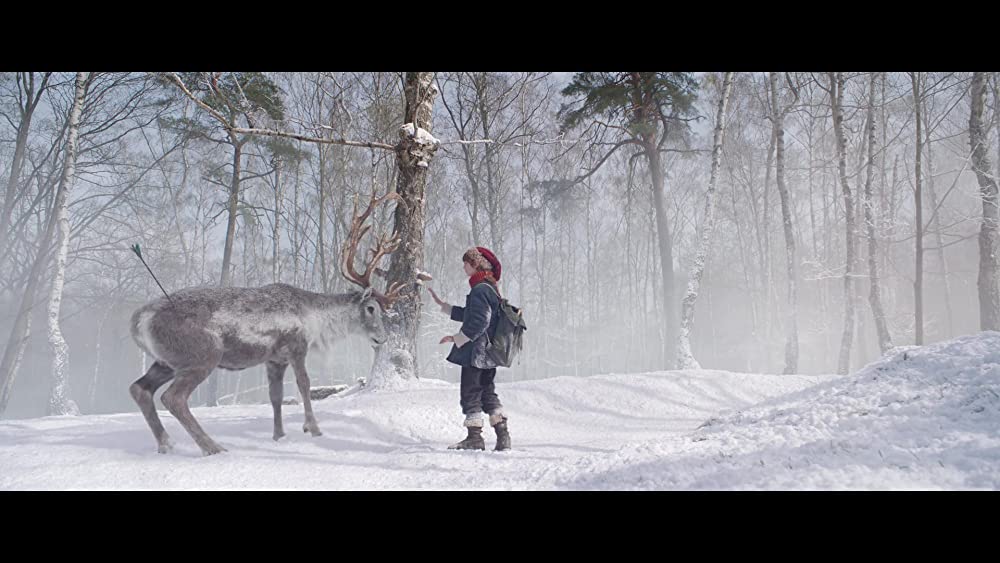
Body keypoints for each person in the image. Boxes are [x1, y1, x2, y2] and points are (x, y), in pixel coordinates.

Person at [427, 246, 511, 451]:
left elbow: (481, 320)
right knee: (487, 392)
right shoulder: (489, 287)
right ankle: (503, 436)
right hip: (488, 354)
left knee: (471, 393)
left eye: (466, 262)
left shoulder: (480, 288)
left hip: (477, 353)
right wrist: (444, 306)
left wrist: (458, 338)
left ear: (476, 264)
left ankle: (474, 438)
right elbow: (472, 314)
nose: (463, 266)